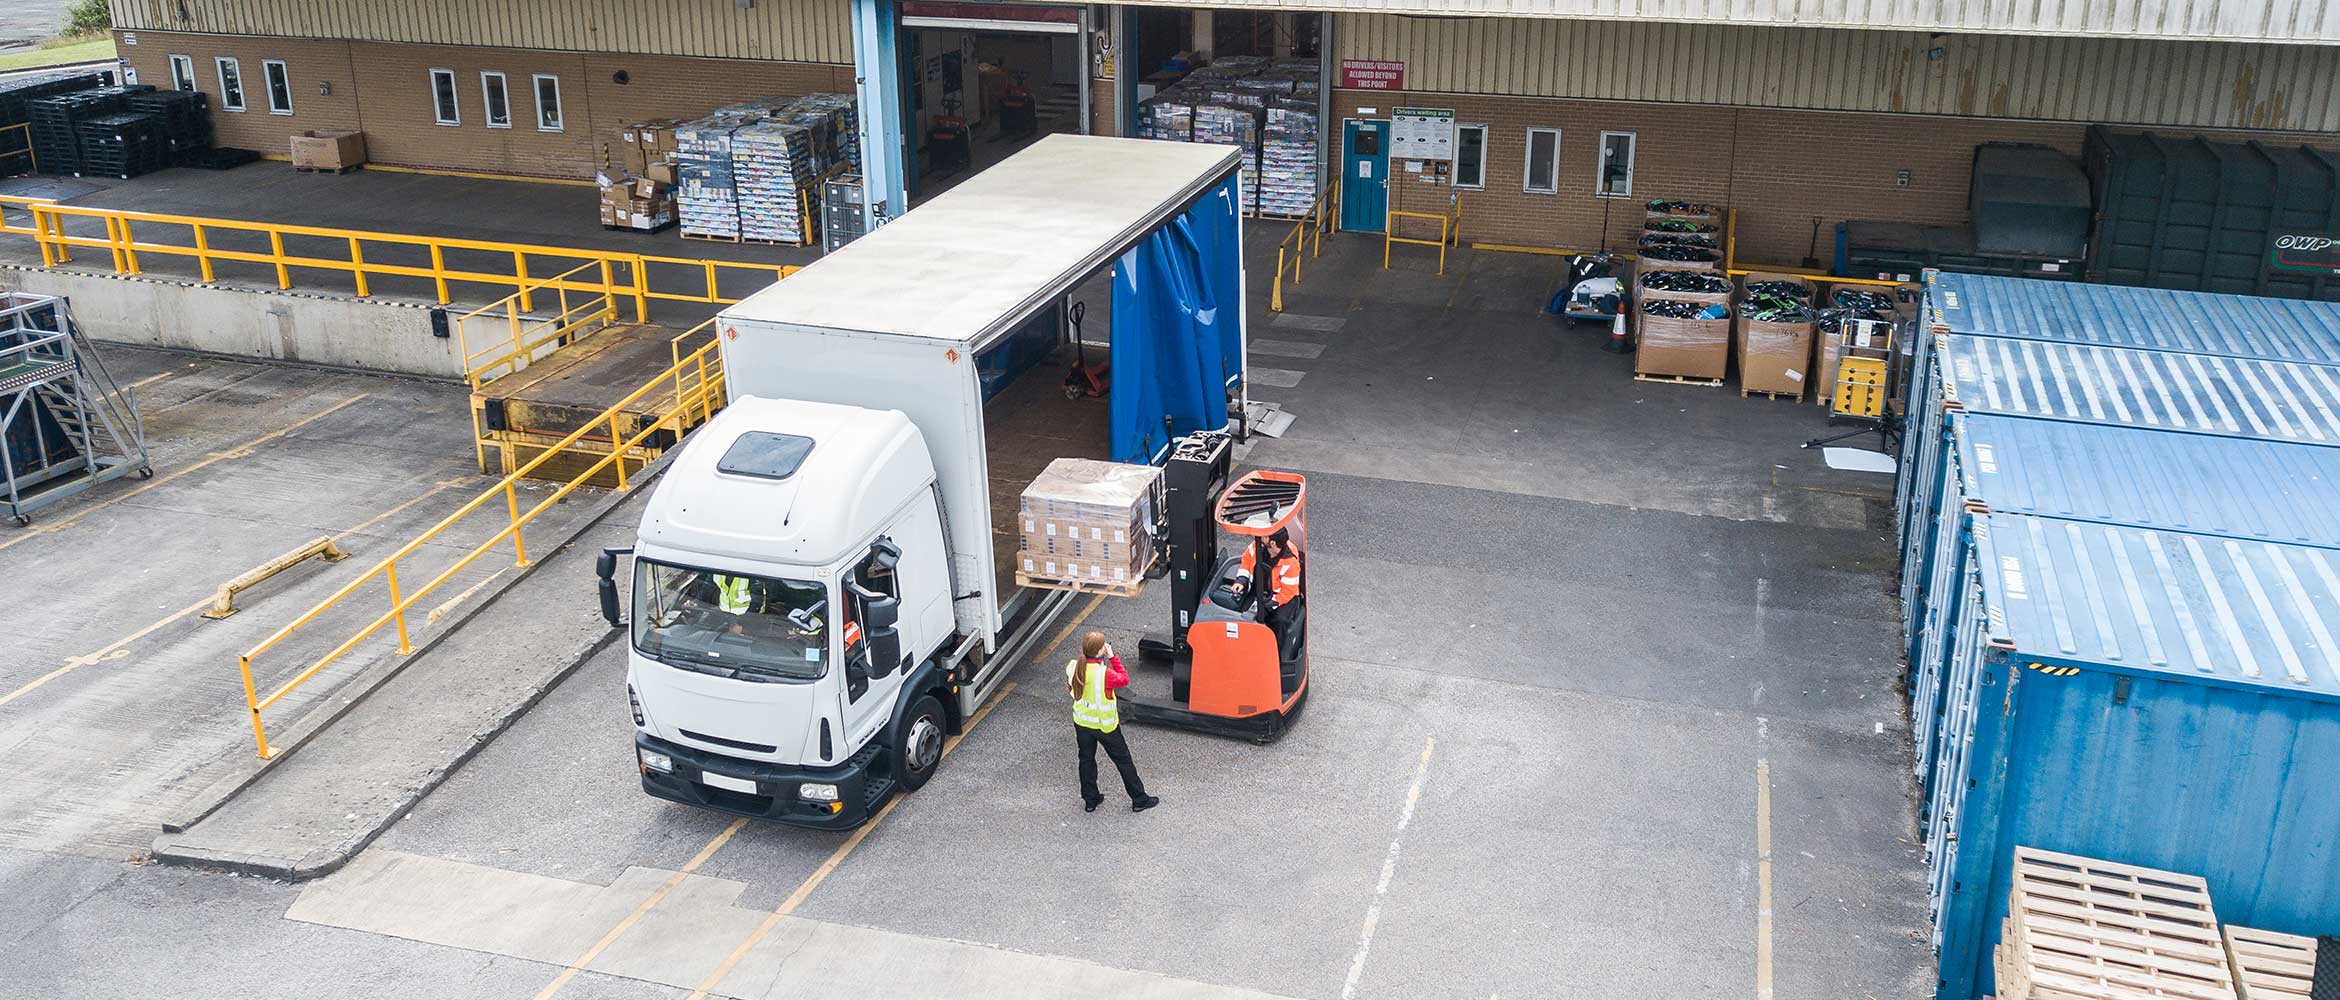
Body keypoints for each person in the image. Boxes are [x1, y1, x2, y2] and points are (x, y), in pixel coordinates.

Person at [1067, 631, 1159, 813]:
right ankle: (1139, 799)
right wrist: (1113, 657)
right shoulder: (1104, 674)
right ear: (1100, 651)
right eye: (1103, 645)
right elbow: (1124, 679)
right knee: (1123, 761)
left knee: (1086, 760)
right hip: (1105, 726)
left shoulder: (1073, 666)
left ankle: (1090, 800)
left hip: (1082, 723)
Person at [1234, 529, 1304, 651]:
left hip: (1281, 598)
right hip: (1260, 592)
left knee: (1280, 621)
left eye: (1265, 536)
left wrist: (1268, 605)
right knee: (1243, 616)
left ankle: (1275, 653)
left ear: (1272, 543)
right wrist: (1241, 580)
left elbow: (1288, 592)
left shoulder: (1290, 564)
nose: (1261, 536)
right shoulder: (1257, 545)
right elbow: (1246, 561)